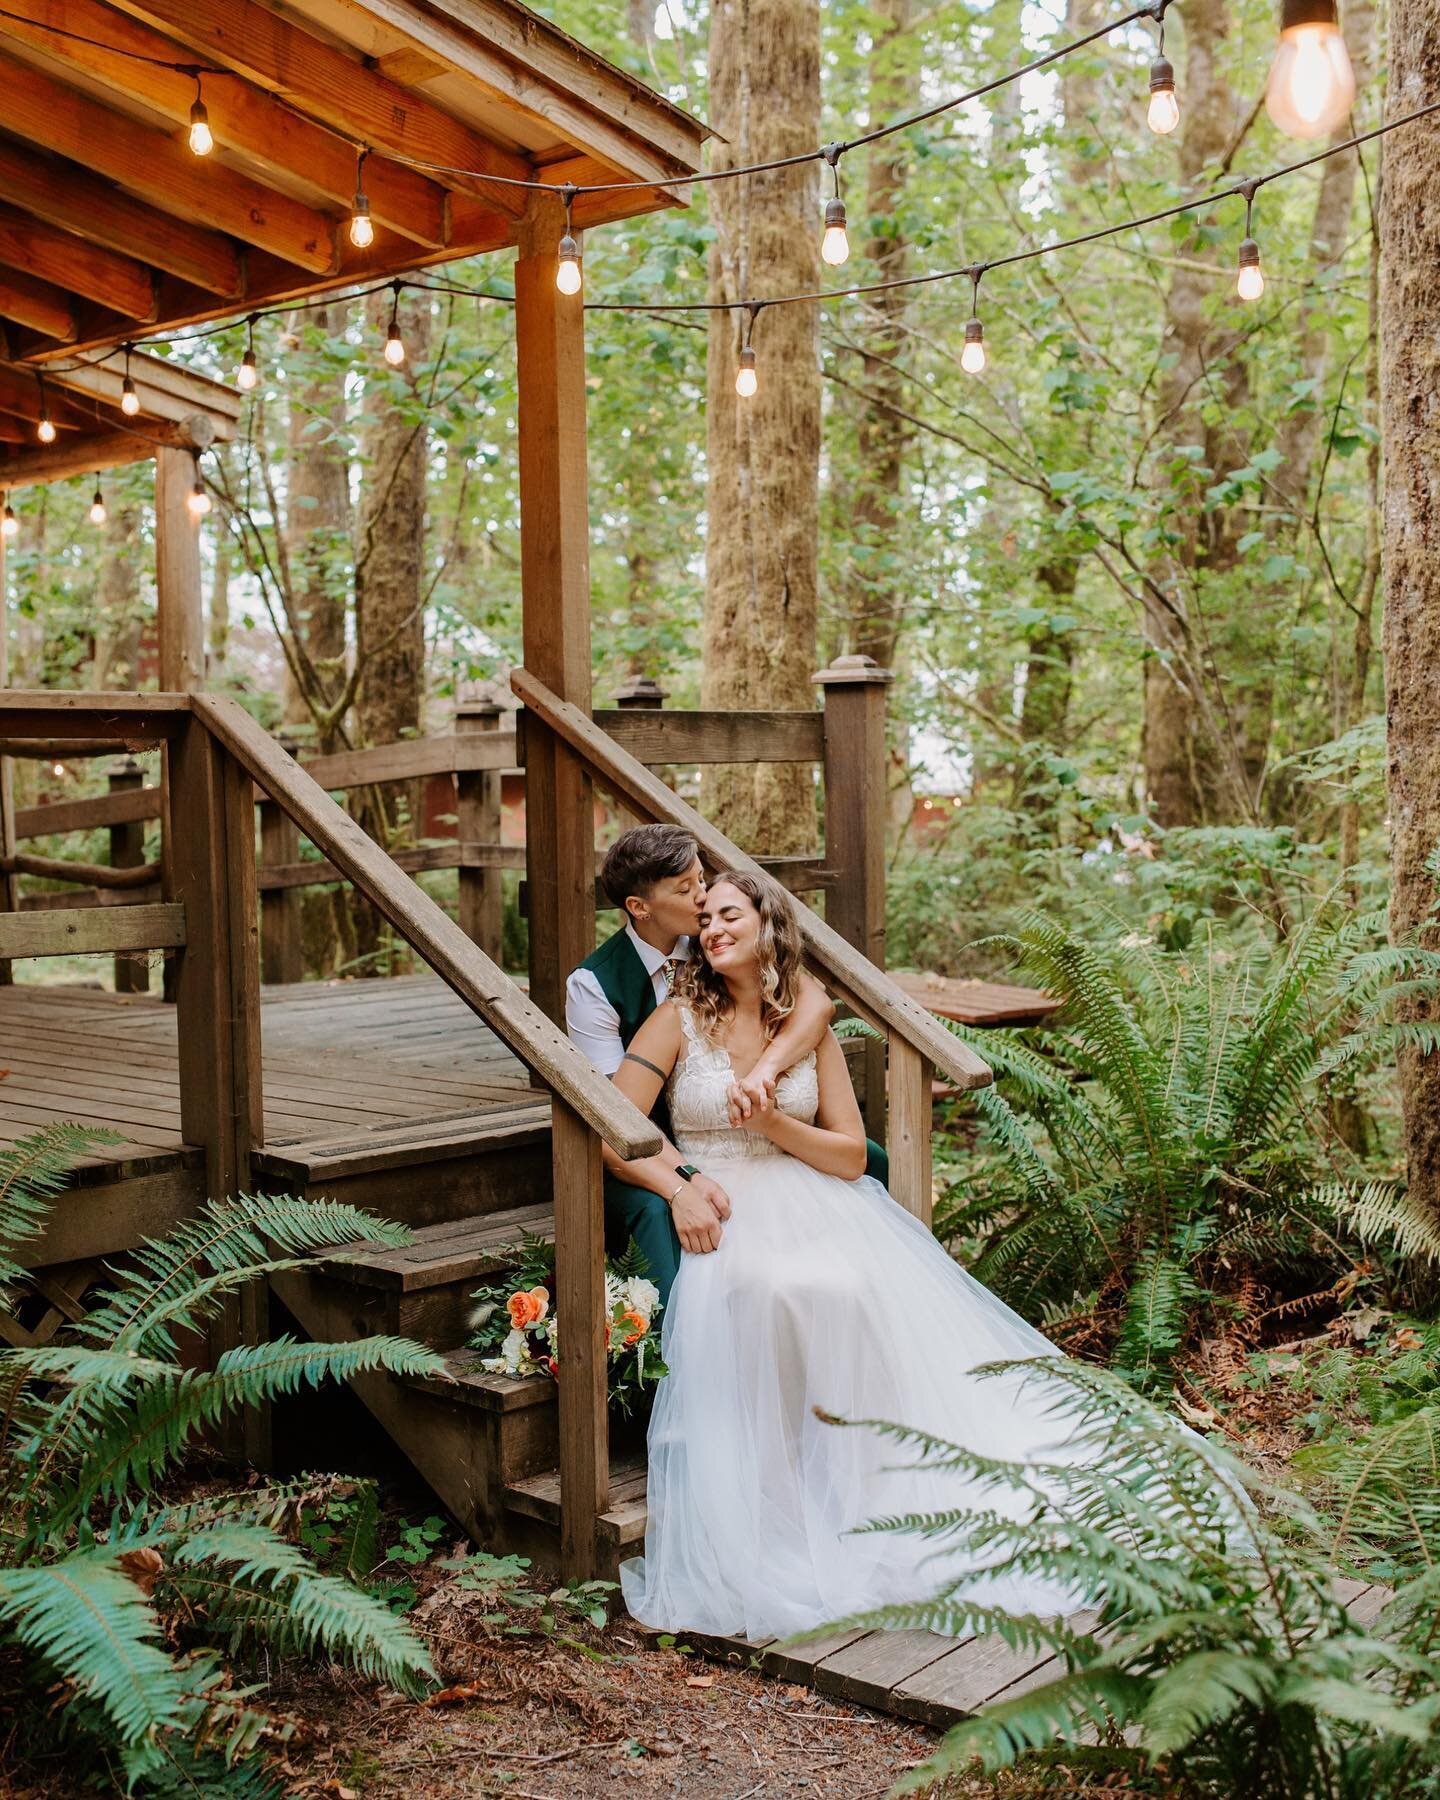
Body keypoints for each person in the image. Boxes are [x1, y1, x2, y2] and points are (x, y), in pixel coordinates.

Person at [608, 868, 1112, 1640]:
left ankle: (865, 1488)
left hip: (812, 1192)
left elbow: (848, 1155)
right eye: (703, 919)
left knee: (845, 1287)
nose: (710, 928)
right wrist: (679, 1184)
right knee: (772, 1289)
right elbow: (615, 1129)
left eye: (728, 915)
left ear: (768, 925)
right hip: (725, 1199)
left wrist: (775, 1125)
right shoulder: (676, 1019)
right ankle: (776, 1505)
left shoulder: (807, 1030)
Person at [566, 825, 887, 1306]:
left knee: (867, 1176)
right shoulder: (596, 985)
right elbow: (615, 1120)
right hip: (657, 1146)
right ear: (641, 907)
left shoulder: (713, 941)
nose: (704, 902)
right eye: (687, 889)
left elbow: (815, 1005)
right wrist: (684, 1182)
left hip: (765, 1150)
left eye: (703, 882)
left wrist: (766, 1073)